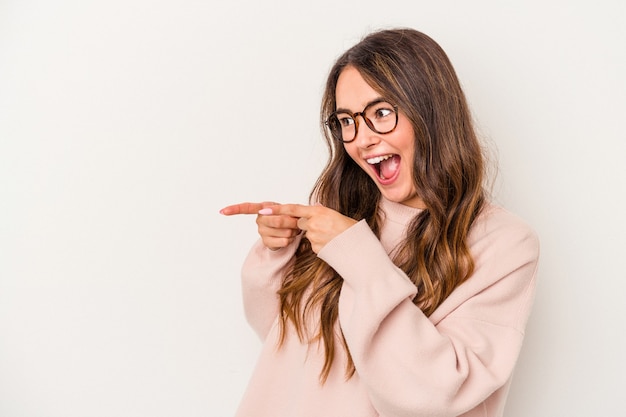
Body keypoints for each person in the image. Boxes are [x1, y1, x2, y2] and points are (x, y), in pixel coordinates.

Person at [220, 28, 539, 417]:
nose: (361, 139)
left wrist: (360, 259)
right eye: (347, 121)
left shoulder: (504, 244)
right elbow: (281, 340)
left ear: (430, 112)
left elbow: (433, 394)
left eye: (381, 113)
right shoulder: (342, 213)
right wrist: (277, 253)